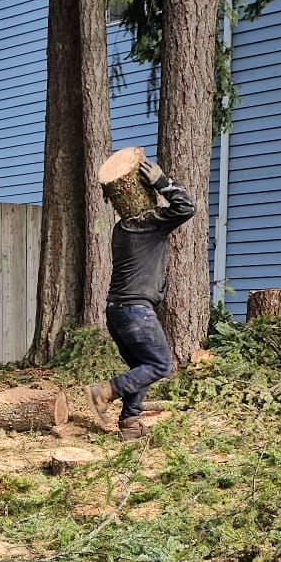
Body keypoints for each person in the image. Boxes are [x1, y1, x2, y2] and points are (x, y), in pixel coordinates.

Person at [90, 152, 196, 438]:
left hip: (117, 310)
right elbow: (186, 207)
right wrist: (163, 182)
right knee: (159, 364)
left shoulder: (121, 228)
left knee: (141, 366)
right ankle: (105, 392)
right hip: (135, 311)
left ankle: (130, 424)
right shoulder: (148, 223)